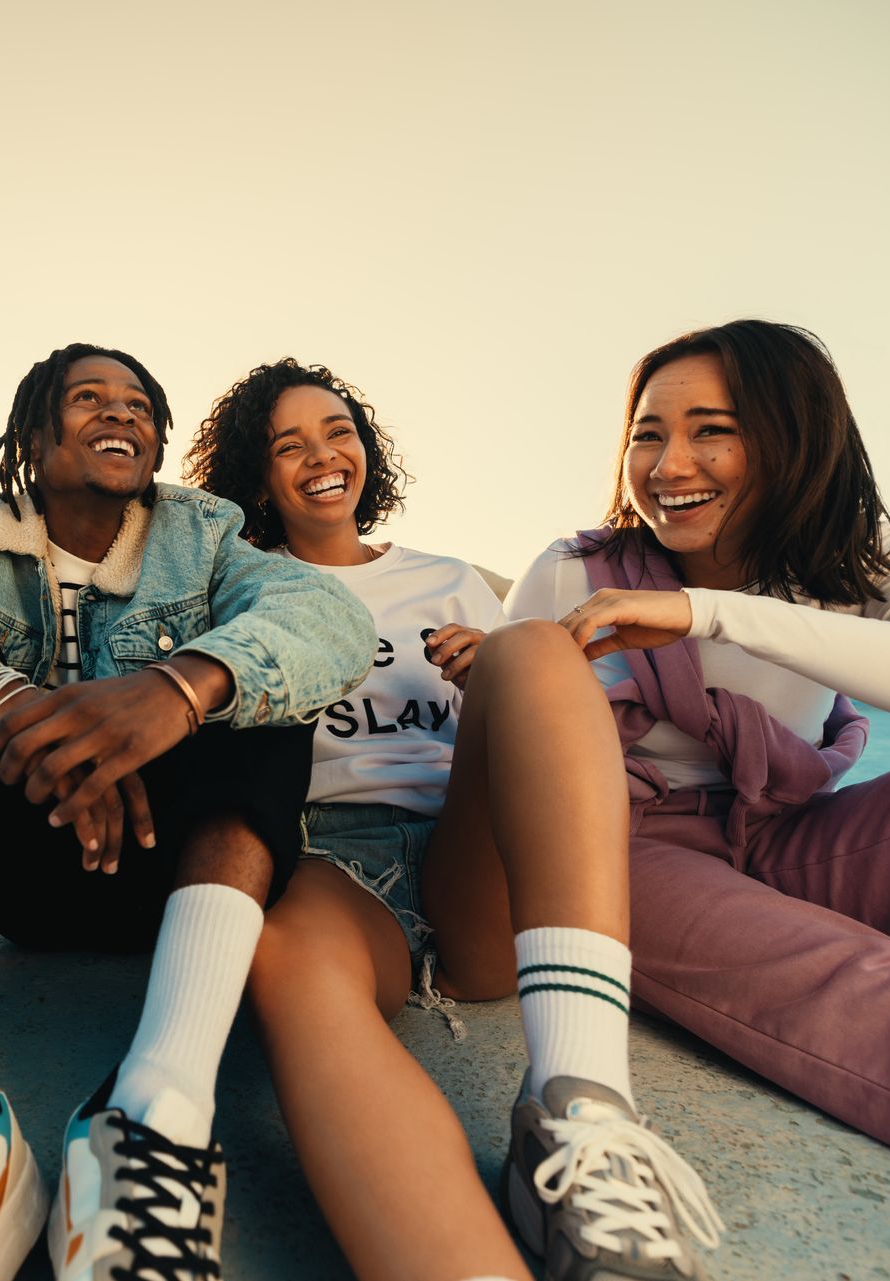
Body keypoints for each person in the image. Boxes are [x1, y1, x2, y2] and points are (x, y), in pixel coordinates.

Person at [0, 343, 375, 1281]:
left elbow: (329, 619)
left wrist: (173, 690)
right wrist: (5, 706)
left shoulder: (206, 533)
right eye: (88, 399)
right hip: (16, 875)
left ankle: (158, 1108)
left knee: (262, 684)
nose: (121, 415)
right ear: (35, 433)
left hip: (173, 871)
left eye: (139, 405)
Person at [498, 319, 890, 1222]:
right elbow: (496, 753)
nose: (669, 464)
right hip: (625, 849)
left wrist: (705, 614)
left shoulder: (876, 551)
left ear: (794, 437)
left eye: (711, 429)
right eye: (648, 433)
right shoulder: (576, 573)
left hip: (787, 831)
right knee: (878, 991)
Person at [186, 359, 723, 1281]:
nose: (323, 455)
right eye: (288, 444)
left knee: (536, 649)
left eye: (339, 430)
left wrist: (490, 677)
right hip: (329, 860)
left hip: (469, 855)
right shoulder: (242, 586)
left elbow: (542, 724)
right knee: (281, 961)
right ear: (254, 473)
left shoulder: (444, 576)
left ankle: (580, 1108)